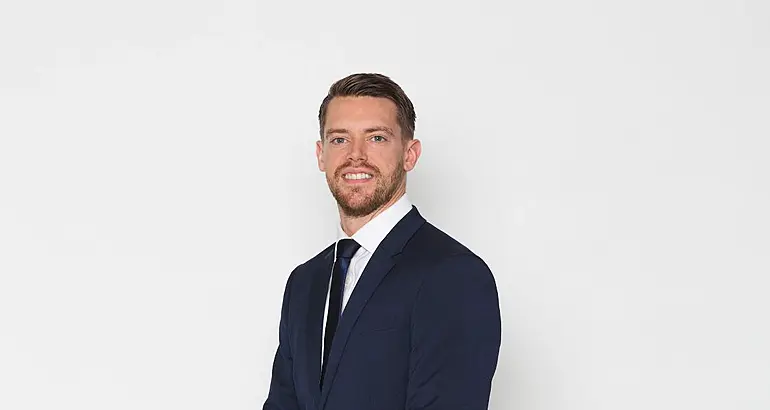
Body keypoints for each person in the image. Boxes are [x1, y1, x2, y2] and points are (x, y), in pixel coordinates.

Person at [262, 73, 501, 410]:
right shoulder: (305, 282)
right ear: (320, 155)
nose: (355, 155)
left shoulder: (453, 275)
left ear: (410, 154)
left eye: (376, 138)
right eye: (340, 139)